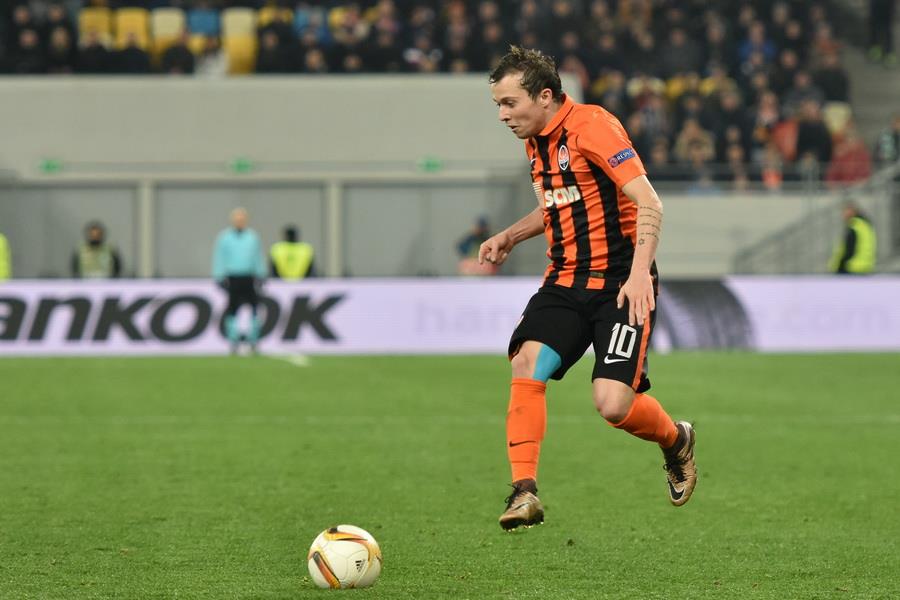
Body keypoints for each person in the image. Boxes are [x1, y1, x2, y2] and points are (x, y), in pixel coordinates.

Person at [480, 47, 697, 531]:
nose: (503, 115)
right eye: (498, 105)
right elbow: (561, 205)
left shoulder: (593, 127)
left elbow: (649, 202)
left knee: (613, 404)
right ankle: (524, 492)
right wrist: (510, 236)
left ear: (544, 96)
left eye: (510, 103)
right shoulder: (536, 139)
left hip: (620, 282)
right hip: (565, 279)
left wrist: (639, 274)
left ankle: (676, 440)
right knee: (526, 362)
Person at [212, 208, 267, 354]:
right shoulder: (224, 237)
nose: (239, 221)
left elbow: (258, 256)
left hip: (249, 277)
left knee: (254, 309)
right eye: (237, 219)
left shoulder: (253, 237)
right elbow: (219, 257)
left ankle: (254, 340)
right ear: (233, 220)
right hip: (233, 277)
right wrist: (219, 276)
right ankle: (233, 340)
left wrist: (261, 274)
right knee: (232, 309)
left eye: (242, 219)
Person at [829, 202, 877, 274]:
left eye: (845, 211)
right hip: (865, 267)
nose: (843, 215)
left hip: (852, 268)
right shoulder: (865, 225)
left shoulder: (855, 226)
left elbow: (849, 249)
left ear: (851, 211)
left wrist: (840, 266)